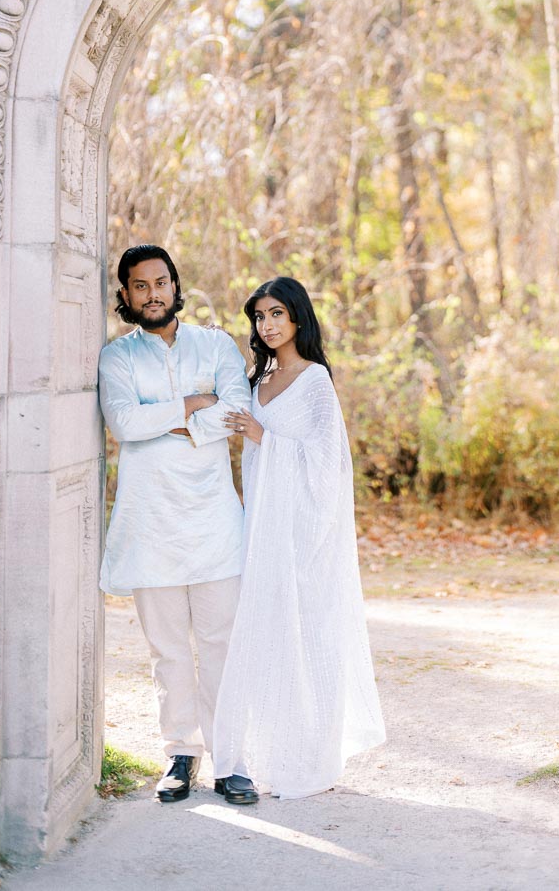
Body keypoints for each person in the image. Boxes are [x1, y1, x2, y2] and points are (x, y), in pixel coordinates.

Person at [213, 276, 386, 798]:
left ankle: (310, 753)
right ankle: (258, 750)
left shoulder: (314, 382)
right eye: (260, 317)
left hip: (301, 533)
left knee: (307, 633)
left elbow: (329, 462)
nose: (267, 326)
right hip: (260, 526)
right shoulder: (258, 379)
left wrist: (265, 436)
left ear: (297, 319)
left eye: (276, 316)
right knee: (264, 634)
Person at [98, 244, 258, 806]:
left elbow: (236, 411)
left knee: (221, 642)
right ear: (126, 296)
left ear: (175, 285)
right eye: (139, 287)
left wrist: (170, 421)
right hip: (150, 523)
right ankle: (180, 754)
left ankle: (231, 759)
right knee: (167, 649)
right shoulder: (117, 358)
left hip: (215, 520)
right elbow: (122, 422)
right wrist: (193, 402)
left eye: (160, 282)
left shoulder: (215, 344)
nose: (152, 294)